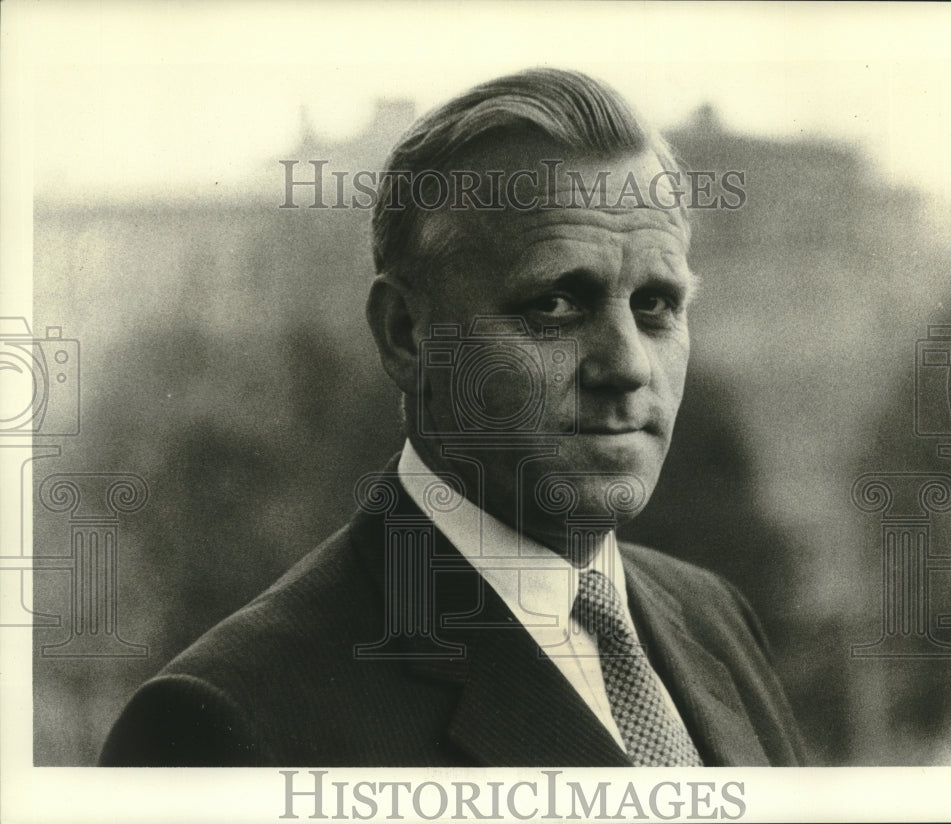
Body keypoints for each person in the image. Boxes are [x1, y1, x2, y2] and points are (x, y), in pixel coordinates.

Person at [100, 68, 805, 767]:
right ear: (407, 335)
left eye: (655, 306)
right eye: (555, 304)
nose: (626, 365)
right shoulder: (226, 722)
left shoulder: (716, 621)